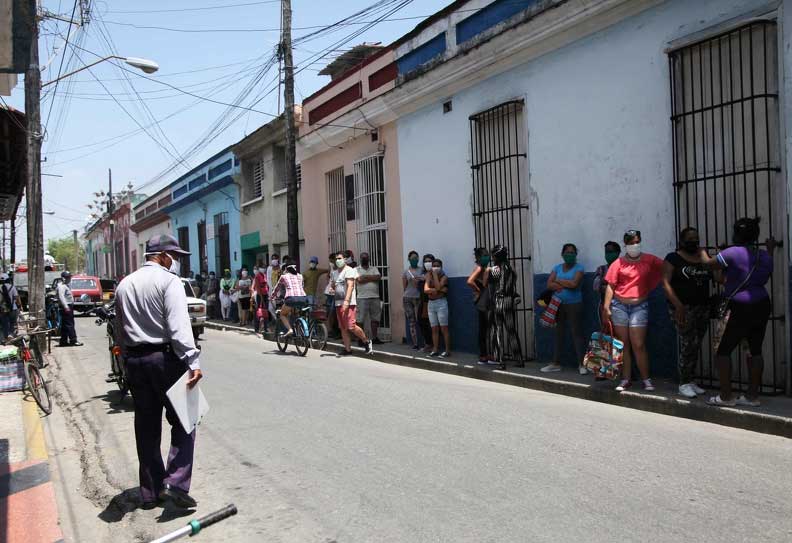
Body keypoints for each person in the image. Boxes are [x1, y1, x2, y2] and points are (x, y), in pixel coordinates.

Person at [114, 234, 203, 510]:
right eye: (174, 257)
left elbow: (118, 329)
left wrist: (126, 359)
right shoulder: (169, 281)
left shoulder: (124, 285)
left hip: (136, 362)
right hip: (166, 359)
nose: (175, 262)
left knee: (147, 426)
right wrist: (193, 361)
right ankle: (175, 484)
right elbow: (178, 327)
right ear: (162, 255)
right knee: (186, 418)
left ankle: (150, 491)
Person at [706, 218, 775, 407]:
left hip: (737, 306)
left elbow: (709, 265)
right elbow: (766, 275)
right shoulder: (766, 256)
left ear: (736, 233)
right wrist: (770, 249)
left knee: (722, 350)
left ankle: (726, 397)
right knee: (755, 350)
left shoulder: (732, 253)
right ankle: (752, 397)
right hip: (761, 304)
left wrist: (704, 253)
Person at [603, 230, 664, 392]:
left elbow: (666, 267)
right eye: (630, 243)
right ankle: (625, 379)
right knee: (623, 345)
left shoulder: (649, 259)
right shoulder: (618, 263)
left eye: (636, 242)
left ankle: (646, 379)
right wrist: (606, 307)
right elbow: (611, 285)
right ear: (625, 245)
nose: (634, 245)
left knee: (639, 344)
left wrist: (654, 284)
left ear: (640, 241)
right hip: (619, 307)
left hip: (640, 306)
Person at [662, 227, 713, 398]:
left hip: (702, 307)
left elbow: (717, 276)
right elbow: (666, 283)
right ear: (682, 241)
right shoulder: (673, 258)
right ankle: (683, 382)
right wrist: (678, 305)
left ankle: (690, 379)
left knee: (696, 343)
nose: (694, 242)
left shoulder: (702, 258)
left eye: (696, 238)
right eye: (690, 239)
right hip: (682, 308)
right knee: (688, 343)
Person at [542, 244, 586, 374]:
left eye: (573, 252)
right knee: (558, 333)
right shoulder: (557, 267)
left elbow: (574, 284)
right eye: (567, 252)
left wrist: (559, 280)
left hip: (574, 304)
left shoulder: (579, 268)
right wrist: (564, 283)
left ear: (576, 255)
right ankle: (555, 363)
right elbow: (549, 284)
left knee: (576, 333)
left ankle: (581, 364)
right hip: (557, 304)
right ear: (562, 254)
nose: (570, 255)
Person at [484, 245, 523, 368]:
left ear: (496, 256)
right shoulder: (511, 268)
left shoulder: (494, 269)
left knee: (497, 331)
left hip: (498, 301)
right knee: (511, 331)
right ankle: (519, 360)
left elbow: (489, 286)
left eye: (493, 255)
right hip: (509, 301)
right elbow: (512, 286)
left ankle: (500, 361)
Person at [331, 252, 372, 355]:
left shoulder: (349, 270)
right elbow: (333, 285)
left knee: (351, 326)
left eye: (339, 258)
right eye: (336, 259)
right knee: (343, 327)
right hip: (338, 303)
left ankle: (366, 341)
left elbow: (350, 286)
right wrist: (332, 288)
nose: (337, 261)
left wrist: (346, 301)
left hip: (348, 303)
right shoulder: (334, 273)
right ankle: (348, 349)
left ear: (345, 259)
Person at [466, 248, 491, 364]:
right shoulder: (480, 268)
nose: (487, 257)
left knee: (484, 328)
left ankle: (485, 354)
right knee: (483, 329)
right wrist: (479, 290)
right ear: (479, 258)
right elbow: (470, 281)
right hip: (482, 302)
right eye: (484, 255)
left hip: (482, 301)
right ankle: (483, 355)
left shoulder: (483, 268)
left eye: (488, 255)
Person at [424, 258, 451, 358]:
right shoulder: (428, 275)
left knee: (444, 328)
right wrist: (435, 290)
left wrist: (435, 276)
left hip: (441, 304)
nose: (435, 267)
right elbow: (426, 290)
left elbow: (439, 288)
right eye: (433, 265)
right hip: (431, 304)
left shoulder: (444, 277)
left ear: (441, 267)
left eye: (437, 266)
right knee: (434, 328)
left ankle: (447, 351)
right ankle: (435, 349)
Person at [273, 264, 308, 336]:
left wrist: (272, 296)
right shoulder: (300, 276)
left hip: (291, 298)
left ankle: (290, 329)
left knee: (282, 314)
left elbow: (277, 288)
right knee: (296, 312)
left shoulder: (284, 276)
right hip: (303, 298)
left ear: (286, 270)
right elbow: (302, 286)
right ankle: (298, 327)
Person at [356, 252, 382, 344]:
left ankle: (374, 338)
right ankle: (361, 338)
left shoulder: (374, 268)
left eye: (366, 257)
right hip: (362, 297)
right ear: (360, 259)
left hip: (375, 297)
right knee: (360, 319)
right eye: (363, 257)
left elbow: (378, 277)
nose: (364, 259)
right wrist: (371, 278)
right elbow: (359, 280)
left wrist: (365, 277)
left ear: (369, 259)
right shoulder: (356, 269)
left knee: (375, 318)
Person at [402, 250, 424, 350]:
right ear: (409, 259)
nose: (414, 259)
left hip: (419, 298)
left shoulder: (422, 270)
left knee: (421, 320)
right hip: (408, 298)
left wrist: (419, 279)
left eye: (416, 258)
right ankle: (415, 344)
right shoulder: (406, 271)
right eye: (412, 258)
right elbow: (404, 286)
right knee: (411, 321)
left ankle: (425, 343)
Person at [56, 271, 83, 347]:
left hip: (68, 306)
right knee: (70, 324)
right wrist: (66, 306)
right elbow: (61, 297)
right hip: (66, 307)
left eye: (70, 277)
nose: (69, 279)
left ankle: (63, 341)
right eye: (68, 277)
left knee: (65, 325)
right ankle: (73, 340)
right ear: (63, 278)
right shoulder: (61, 286)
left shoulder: (65, 285)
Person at [593, 241, 621, 306]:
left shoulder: (624, 269)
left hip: (621, 306)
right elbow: (596, 286)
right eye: (606, 252)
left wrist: (604, 282)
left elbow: (625, 288)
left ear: (618, 253)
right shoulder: (601, 269)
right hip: (605, 306)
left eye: (611, 252)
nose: (608, 254)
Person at [418, 253, 435, 353]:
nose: (427, 263)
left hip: (429, 301)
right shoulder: (422, 274)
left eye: (429, 261)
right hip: (422, 300)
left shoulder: (435, 273)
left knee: (429, 323)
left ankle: (430, 344)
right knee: (422, 322)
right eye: (425, 261)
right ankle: (428, 343)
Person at [323, 253, 340, 338]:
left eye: (332, 260)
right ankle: (332, 330)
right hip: (329, 292)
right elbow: (328, 277)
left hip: (336, 293)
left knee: (334, 312)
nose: (331, 262)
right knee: (329, 312)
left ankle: (337, 330)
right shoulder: (331, 267)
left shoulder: (340, 269)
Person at [0, 273, 20, 339]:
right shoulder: (12, 287)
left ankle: (5, 337)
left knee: (4, 324)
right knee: (13, 322)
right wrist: (19, 305)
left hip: (2, 309)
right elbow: (17, 298)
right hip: (13, 308)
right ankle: (11, 335)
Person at [252, 266, 269, 332]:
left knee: (265, 312)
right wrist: (261, 298)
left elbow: (266, 286)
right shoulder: (257, 276)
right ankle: (257, 328)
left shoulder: (264, 275)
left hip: (265, 294)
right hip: (260, 296)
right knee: (258, 311)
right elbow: (258, 287)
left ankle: (265, 327)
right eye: (262, 267)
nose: (263, 269)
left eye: (264, 267)